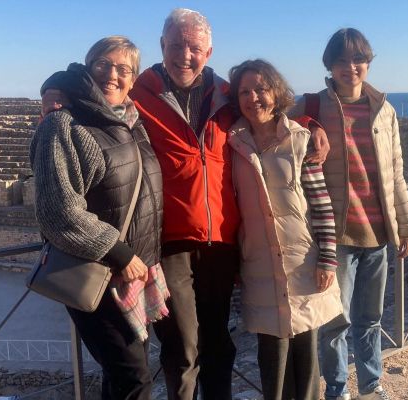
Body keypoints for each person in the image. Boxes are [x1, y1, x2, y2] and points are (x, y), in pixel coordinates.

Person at [42, 9, 329, 399]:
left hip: (223, 243)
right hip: (169, 242)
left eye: (194, 47)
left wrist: (312, 124)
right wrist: (53, 89)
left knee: (218, 345)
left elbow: (270, 107)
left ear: (208, 51)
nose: (185, 55)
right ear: (163, 46)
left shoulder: (228, 94)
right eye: (176, 45)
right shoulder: (137, 90)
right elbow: (88, 84)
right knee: (182, 347)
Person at [31, 36, 168, 400]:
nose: (112, 75)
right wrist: (121, 255)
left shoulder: (133, 123)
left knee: (122, 376)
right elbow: (58, 212)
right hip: (99, 270)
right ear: (88, 69)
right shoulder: (63, 124)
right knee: (134, 379)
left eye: (123, 69)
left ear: (134, 79)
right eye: (103, 65)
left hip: (136, 274)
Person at [289, 28, 408, 400]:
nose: (351, 67)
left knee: (370, 320)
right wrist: (310, 125)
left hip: (377, 233)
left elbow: (396, 172)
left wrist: (406, 224)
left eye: (359, 59)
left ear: (368, 62)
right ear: (329, 64)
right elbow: (278, 128)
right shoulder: (311, 106)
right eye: (343, 60)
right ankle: (337, 390)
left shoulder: (384, 110)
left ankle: (372, 384)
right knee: (335, 323)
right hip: (335, 237)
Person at [227, 59, 342, 400]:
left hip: (303, 261)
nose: (253, 98)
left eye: (261, 89)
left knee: (306, 355)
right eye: (245, 91)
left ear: (276, 93)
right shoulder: (231, 143)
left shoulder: (300, 140)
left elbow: (321, 205)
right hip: (259, 264)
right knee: (271, 357)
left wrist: (328, 259)